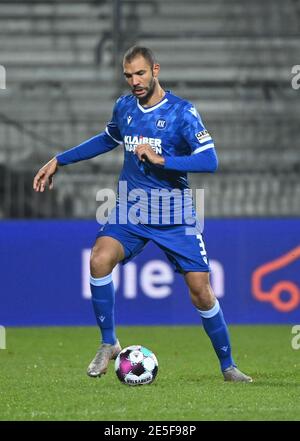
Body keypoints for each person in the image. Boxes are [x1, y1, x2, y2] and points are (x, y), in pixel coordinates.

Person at [33, 46, 252, 382]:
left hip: (175, 215)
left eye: (140, 74)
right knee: (98, 259)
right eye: (128, 75)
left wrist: (163, 160)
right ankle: (109, 343)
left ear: (155, 70)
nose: (134, 81)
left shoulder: (182, 112)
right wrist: (59, 159)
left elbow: (210, 161)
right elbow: (106, 140)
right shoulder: (124, 108)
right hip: (131, 209)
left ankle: (228, 366)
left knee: (201, 291)